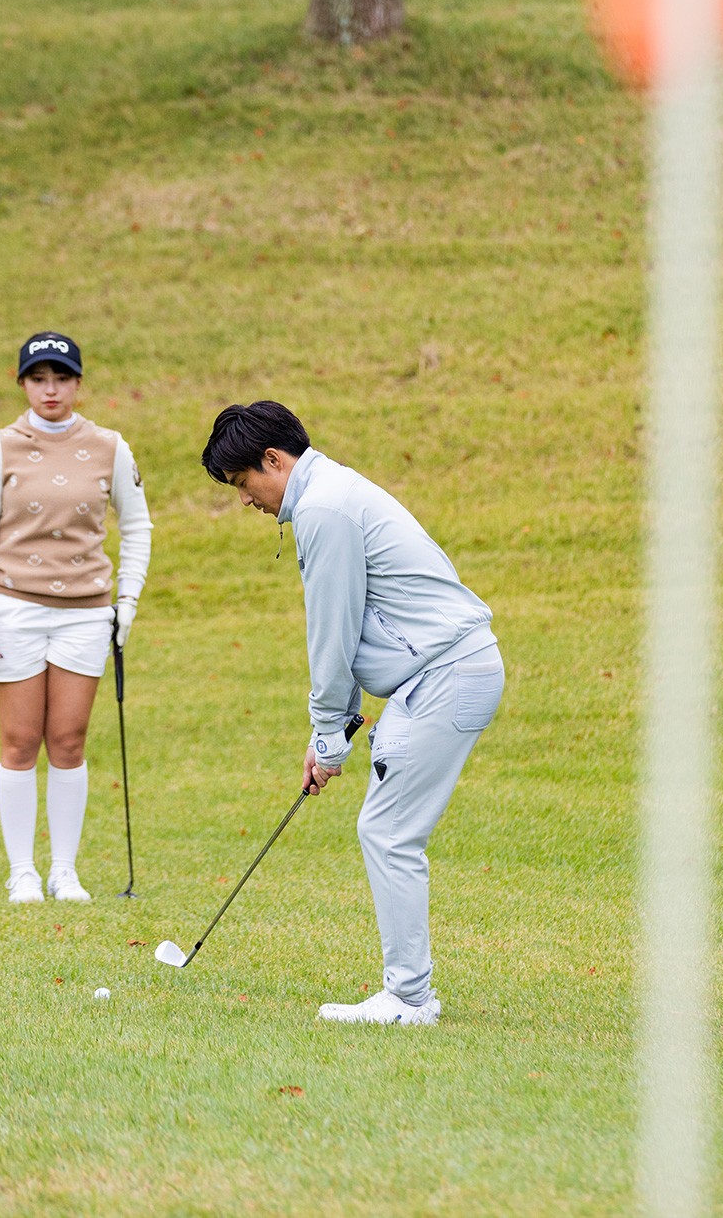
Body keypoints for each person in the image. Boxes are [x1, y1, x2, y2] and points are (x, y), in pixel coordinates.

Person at [202, 401, 504, 1025]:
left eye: (242, 484)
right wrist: (332, 729)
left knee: (389, 833)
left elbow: (332, 634)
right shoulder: (331, 492)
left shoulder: (324, 509)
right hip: (445, 672)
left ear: (272, 460)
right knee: (388, 830)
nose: (245, 500)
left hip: (447, 673)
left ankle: (410, 1000)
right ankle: (409, 994)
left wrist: (328, 735)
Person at [0, 332, 152, 904]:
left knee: (68, 740)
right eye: (39, 379)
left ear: (77, 383)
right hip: (14, 607)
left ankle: (63, 871)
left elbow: (137, 525)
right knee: (20, 741)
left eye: (62, 379)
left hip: (86, 613)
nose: (51, 390)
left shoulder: (109, 446)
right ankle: (22, 870)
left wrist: (128, 603)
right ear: (23, 383)